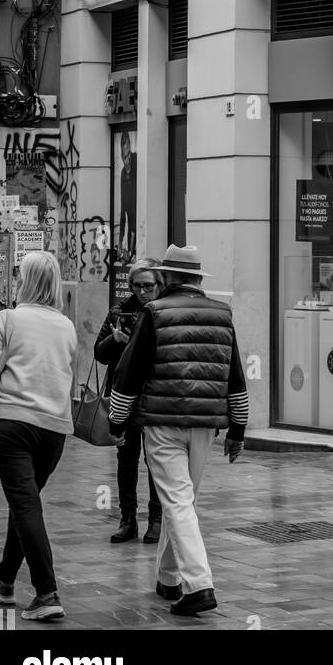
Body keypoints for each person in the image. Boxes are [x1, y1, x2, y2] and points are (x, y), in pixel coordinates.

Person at [108, 244, 248, 616]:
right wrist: (238, 428)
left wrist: (116, 420)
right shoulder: (222, 313)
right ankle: (169, 578)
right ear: (198, 280)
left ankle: (199, 584)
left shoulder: (154, 313)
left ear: (167, 278)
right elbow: (235, 374)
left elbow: (129, 372)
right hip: (206, 425)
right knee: (181, 500)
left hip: (162, 421)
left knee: (178, 501)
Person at [0, 250, 77, 622]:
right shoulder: (67, 326)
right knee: (25, 503)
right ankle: (3, 580)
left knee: (25, 505)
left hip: (11, 424)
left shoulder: (7, 319)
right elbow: (68, 377)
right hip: (54, 429)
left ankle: (47, 592)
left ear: (25, 280)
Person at [94, 257, 163, 544]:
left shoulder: (163, 312)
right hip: (124, 397)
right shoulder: (119, 312)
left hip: (154, 397)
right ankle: (128, 520)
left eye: (148, 285)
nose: (142, 292)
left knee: (156, 460)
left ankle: (156, 519)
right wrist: (115, 341)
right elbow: (99, 353)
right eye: (137, 285)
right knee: (126, 459)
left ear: (160, 284)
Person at [118, 132, 137, 261]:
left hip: (137, 214)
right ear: (121, 157)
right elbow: (123, 208)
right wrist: (120, 240)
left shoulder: (137, 164)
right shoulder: (123, 174)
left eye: (129, 155)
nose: (128, 160)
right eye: (125, 157)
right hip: (130, 217)